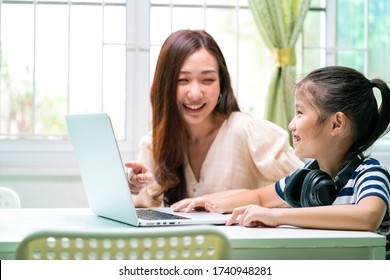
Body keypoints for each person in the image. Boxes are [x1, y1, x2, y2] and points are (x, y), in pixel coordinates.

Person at [172, 66, 390, 259]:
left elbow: (367, 216)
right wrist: (209, 202)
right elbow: (259, 197)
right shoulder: (306, 177)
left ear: (336, 124)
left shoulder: (370, 174)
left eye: (300, 113)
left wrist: (277, 216)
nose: (291, 124)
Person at [126, 29, 303, 208]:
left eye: (208, 80)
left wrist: (241, 198)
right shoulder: (154, 144)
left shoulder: (250, 133)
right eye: (183, 80)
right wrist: (137, 187)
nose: (195, 94)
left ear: (222, 85)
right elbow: (146, 209)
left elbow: (307, 187)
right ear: (166, 86)